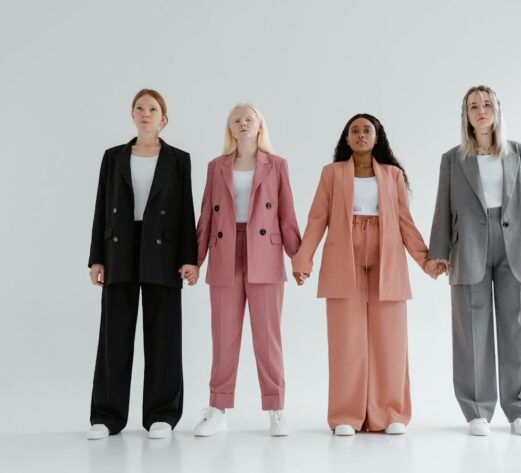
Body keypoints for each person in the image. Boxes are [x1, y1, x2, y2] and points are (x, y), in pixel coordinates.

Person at [292, 113, 436, 436]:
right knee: (346, 340)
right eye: (354, 130)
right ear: (346, 138)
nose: (360, 135)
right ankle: (346, 415)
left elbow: (404, 222)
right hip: (344, 258)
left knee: (391, 340)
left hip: (387, 259)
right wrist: (304, 259)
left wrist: (426, 261)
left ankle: (390, 413)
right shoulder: (331, 174)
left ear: (377, 136)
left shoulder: (393, 175)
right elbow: (317, 219)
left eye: (366, 130)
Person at [428, 85, 521, 436]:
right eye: (473, 106)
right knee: (472, 328)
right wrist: (439, 253)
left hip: (516, 245)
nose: (481, 110)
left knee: (519, 327)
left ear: (497, 110)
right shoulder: (453, 159)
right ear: (465, 116)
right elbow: (443, 206)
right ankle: (477, 410)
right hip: (468, 247)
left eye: (486, 104)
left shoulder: (519, 153)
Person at [86, 89, 198, 440]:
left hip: (162, 249)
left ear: (164, 118)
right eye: (139, 108)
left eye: (153, 109)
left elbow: (185, 211)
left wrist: (188, 258)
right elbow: (101, 206)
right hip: (119, 245)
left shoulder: (179, 159)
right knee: (114, 334)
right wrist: (96, 258)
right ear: (132, 115)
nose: (145, 113)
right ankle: (106, 417)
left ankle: (162, 414)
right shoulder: (114, 157)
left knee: (164, 334)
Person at [189, 103, 301, 437]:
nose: (242, 123)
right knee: (223, 337)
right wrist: (195, 261)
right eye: (236, 120)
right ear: (230, 128)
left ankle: (276, 408)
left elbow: (287, 215)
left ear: (260, 125)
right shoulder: (216, 166)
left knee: (268, 337)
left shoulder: (278, 165)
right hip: (225, 250)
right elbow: (206, 216)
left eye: (248, 119)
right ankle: (218, 409)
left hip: (265, 252)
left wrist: (299, 259)